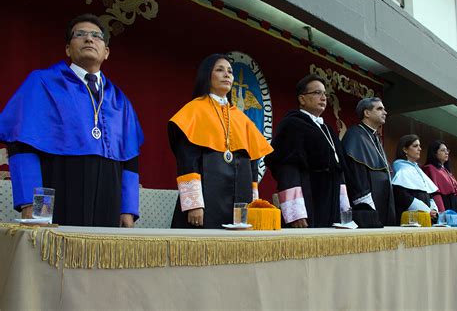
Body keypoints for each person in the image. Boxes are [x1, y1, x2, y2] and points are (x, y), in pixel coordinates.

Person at [0, 14, 144, 227]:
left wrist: (128, 208)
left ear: (106, 52)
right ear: (68, 49)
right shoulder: (43, 83)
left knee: (102, 258)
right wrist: (32, 203)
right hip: (59, 184)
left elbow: (130, 158)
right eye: (81, 34)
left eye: (96, 36)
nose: (89, 39)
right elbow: (21, 144)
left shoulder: (120, 100)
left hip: (109, 194)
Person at [168, 54, 272, 228]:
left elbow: (253, 163)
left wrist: (253, 204)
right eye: (220, 70)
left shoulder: (242, 119)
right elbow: (187, 160)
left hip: (240, 199)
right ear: (207, 75)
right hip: (206, 199)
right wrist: (194, 204)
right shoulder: (194, 110)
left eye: (230, 71)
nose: (227, 75)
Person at [264, 74, 350, 228]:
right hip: (308, 198)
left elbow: (339, 169)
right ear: (302, 99)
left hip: (331, 201)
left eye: (325, 93)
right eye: (317, 93)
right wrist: (295, 212)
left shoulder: (328, 130)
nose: (323, 97)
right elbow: (287, 167)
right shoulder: (292, 125)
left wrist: (344, 209)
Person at [341, 97, 396, 227]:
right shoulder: (355, 135)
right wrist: (366, 205)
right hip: (368, 204)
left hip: (383, 200)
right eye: (379, 108)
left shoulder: (374, 137)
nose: (385, 112)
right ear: (367, 113)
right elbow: (356, 173)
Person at [392, 135, 438, 223]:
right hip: (410, 219)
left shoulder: (417, 168)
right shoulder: (400, 168)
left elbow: (428, 193)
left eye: (419, 146)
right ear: (405, 149)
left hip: (426, 217)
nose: (420, 149)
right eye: (415, 146)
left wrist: (433, 210)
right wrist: (426, 210)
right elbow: (402, 196)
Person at [422, 140, 457, 213]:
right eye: (443, 150)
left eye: (447, 150)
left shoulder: (446, 170)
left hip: (454, 205)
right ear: (435, 153)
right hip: (444, 205)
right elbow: (434, 193)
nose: (446, 152)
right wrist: (442, 211)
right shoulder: (430, 168)